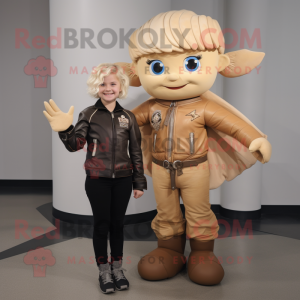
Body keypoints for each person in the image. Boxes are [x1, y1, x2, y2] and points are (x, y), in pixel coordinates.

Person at [114, 9, 272, 286]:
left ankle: (202, 252)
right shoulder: (151, 107)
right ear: (137, 73)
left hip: (195, 168)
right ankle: (169, 249)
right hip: (162, 170)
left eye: (190, 63)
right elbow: (124, 122)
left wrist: (254, 140)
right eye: (157, 67)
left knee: (199, 210)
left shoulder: (204, 106)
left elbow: (231, 125)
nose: (173, 77)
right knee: (166, 211)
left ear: (220, 63)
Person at [43, 63, 147, 294]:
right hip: (97, 179)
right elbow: (75, 145)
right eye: (102, 83)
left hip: (123, 178)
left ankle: (117, 268)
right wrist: (65, 130)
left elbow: (137, 151)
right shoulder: (88, 114)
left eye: (112, 83)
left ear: (120, 87)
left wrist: (138, 182)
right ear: (96, 87)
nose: (107, 88)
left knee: (118, 225)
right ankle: (103, 271)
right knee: (102, 225)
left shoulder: (128, 117)